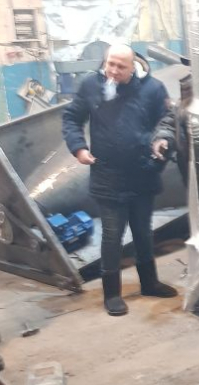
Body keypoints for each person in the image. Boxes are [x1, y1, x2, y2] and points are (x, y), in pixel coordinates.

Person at [62, 43, 178, 316]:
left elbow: (167, 119)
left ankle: (149, 283)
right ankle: (112, 294)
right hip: (108, 176)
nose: (113, 71)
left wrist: (163, 139)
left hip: (143, 173)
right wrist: (78, 148)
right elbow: (71, 118)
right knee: (112, 236)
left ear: (133, 67)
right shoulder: (91, 85)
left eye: (120, 67)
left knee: (143, 233)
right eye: (109, 64)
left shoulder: (153, 89)